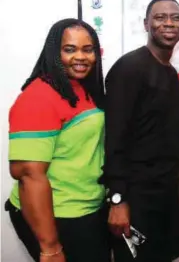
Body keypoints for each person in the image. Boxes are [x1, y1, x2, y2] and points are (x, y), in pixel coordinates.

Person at [5, 18, 108, 262]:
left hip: (86, 208)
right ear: (54, 52)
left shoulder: (82, 88)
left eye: (88, 49)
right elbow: (29, 175)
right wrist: (50, 247)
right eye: (70, 49)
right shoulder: (38, 97)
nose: (80, 57)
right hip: (59, 215)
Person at [101, 0, 179, 262]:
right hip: (135, 201)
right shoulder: (129, 68)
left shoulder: (172, 73)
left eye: (175, 17)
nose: (168, 23)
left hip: (165, 199)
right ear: (146, 23)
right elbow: (114, 140)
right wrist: (118, 200)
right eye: (160, 17)